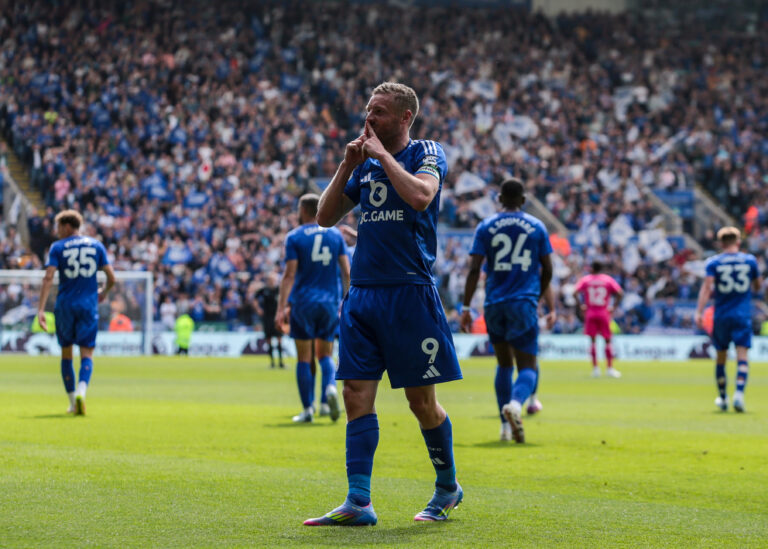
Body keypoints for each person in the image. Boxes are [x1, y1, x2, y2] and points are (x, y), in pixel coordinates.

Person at [306, 82, 463, 526]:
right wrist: (346, 164)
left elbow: (420, 196)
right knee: (355, 394)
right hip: (363, 294)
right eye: (367, 109)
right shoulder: (365, 165)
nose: (368, 118)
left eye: (378, 111)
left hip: (409, 291)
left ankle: (448, 487)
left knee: (421, 402)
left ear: (404, 117)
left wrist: (381, 157)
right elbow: (324, 216)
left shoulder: (426, 152)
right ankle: (359, 501)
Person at [460, 178, 555, 443]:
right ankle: (515, 404)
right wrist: (538, 294)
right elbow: (547, 268)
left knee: (503, 364)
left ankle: (504, 427)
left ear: (500, 200)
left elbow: (474, 268)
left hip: (493, 303)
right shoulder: (536, 227)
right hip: (523, 302)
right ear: (523, 200)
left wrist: (466, 307)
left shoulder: (486, 226)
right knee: (528, 366)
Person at [276, 194, 350, 424]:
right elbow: (346, 272)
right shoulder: (335, 234)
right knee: (326, 354)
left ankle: (308, 409)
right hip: (329, 303)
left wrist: (280, 308)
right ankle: (328, 394)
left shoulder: (294, 237)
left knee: (304, 358)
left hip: (303, 302)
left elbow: (289, 275)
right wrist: (347, 300)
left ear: (303, 211)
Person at [37, 209, 115, 415]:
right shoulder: (96, 245)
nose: (57, 231)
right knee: (87, 352)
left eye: (58, 227)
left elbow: (48, 277)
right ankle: (82, 391)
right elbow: (112, 277)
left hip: (65, 305)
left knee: (66, 353)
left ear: (67, 226)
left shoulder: (58, 247)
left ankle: (72, 403)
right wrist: (104, 292)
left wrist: (41, 309)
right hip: (88, 305)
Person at [694, 227, 761, 412]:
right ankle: (739, 395)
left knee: (721, 357)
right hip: (742, 314)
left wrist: (699, 312)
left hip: (721, 315)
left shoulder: (713, 262)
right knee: (742, 355)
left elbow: (707, 288)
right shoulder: (750, 261)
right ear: (738, 242)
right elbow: (758, 286)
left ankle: (723, 398)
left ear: (721, 243)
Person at [573, 261, 624, 378]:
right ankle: (609, 368)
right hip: (604, 312)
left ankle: (595, 368)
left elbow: (574, 292)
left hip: (590, 312)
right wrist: (613, 307)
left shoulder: (586, 280)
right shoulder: (607, 280)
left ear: (592, 268)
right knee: (607, 340)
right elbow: (620, 293)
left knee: (593, 341)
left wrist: (580, 305)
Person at [255, 272, 285, 368]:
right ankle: (272, 363)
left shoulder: (279, 290)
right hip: (267, 318)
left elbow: (286, 299)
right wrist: (258, 309)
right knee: (269, 340)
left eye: (273, 279)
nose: (272, 281)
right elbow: (254, 298)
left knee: (279, 339)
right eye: (270, 280)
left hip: (278, 318)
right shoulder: (264, 290)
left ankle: (281, 362)